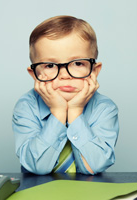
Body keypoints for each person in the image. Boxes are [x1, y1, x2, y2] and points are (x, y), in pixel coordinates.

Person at [12, 15, 119, 175]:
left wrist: (75, 112)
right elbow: (37, 167)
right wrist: (58, 113)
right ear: (35, 74)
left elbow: (94, 166)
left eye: (77, 63)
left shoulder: (104, 108)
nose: (64, 75)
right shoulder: (27, 106)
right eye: (49, 65)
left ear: (94, 71)